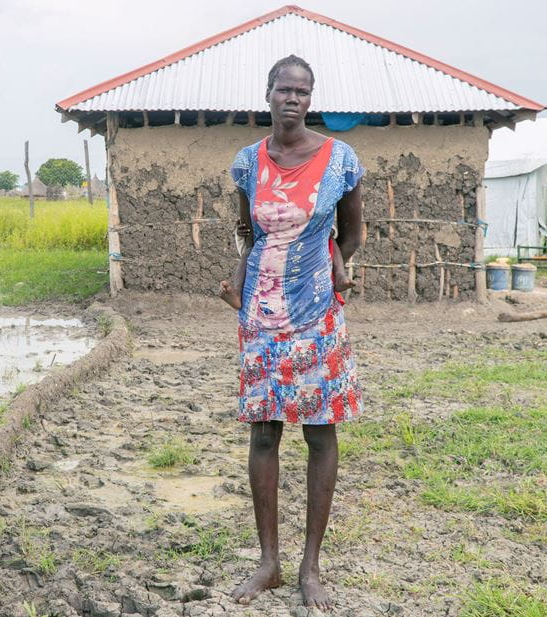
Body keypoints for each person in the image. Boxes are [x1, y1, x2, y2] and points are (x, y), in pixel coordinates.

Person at [218, 55, 364, 610]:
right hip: (261, 319)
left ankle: (310, 569)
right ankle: (269, 563)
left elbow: (351, 232)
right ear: (268, 94)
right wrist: (241, 278)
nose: (292, 99)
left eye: (302, 91)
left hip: (318, 320)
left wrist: (330, 270)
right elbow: (246, 231)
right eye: (284, 90)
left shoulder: (340, 160)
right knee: (263, 434)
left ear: (311, 97)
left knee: (321, 434)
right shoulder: (247, 163)